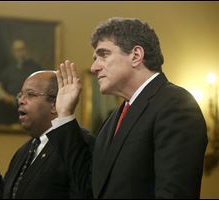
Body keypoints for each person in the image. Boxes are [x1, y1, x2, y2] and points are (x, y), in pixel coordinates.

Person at [53, 17, 208, 198]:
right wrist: (64, 115)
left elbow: (174, 194)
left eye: (104, 55)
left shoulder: (175, 104)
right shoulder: (112, 120)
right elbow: (90, 188)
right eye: (95, 58)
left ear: (136, 56)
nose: (94, 67)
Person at [0, 71, 94, 199]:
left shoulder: (79, 143)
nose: (21, 100)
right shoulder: (24, 151)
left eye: (30, 94)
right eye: (20, 95)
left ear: (55, 104)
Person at [0, 39, 44, 124]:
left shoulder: (34, 67)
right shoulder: (11, 67)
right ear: (13, 52)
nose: (20, 53)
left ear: (26, 50)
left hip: (26, 105)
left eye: (22, 49)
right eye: (17, 50)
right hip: (9, 105)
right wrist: (2, 93)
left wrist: (15, 100)